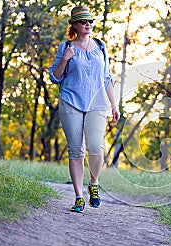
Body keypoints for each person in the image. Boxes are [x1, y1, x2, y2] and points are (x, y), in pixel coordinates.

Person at [49, 6, 120, 213]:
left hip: (97, 104)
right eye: (82, 22)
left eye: (90, 21)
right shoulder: (66, 47)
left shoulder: (101, 46)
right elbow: (55, 77)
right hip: (71, 102)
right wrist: (65, 58)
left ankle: (94, 184)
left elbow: (107, 78)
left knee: (97, 147)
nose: (87, 24)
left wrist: (114, 105)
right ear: (74, 25)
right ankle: (79, 196)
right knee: (75, 150)